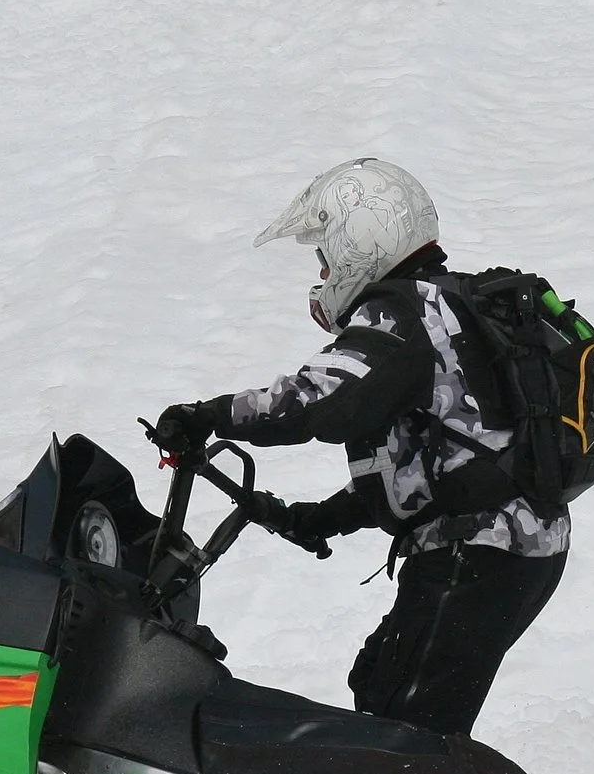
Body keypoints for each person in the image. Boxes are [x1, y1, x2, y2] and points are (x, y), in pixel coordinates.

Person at [151, 158, 569, 738]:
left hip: (477, 552)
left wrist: (209, 416)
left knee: (408, 727)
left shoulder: (399, 315)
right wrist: (321, 518)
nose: (323, 274)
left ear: (361, 239)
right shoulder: (447, 307)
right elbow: (448, 459)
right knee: (381, 684)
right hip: (515, 547)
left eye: (326, 257)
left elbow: (317, 401)